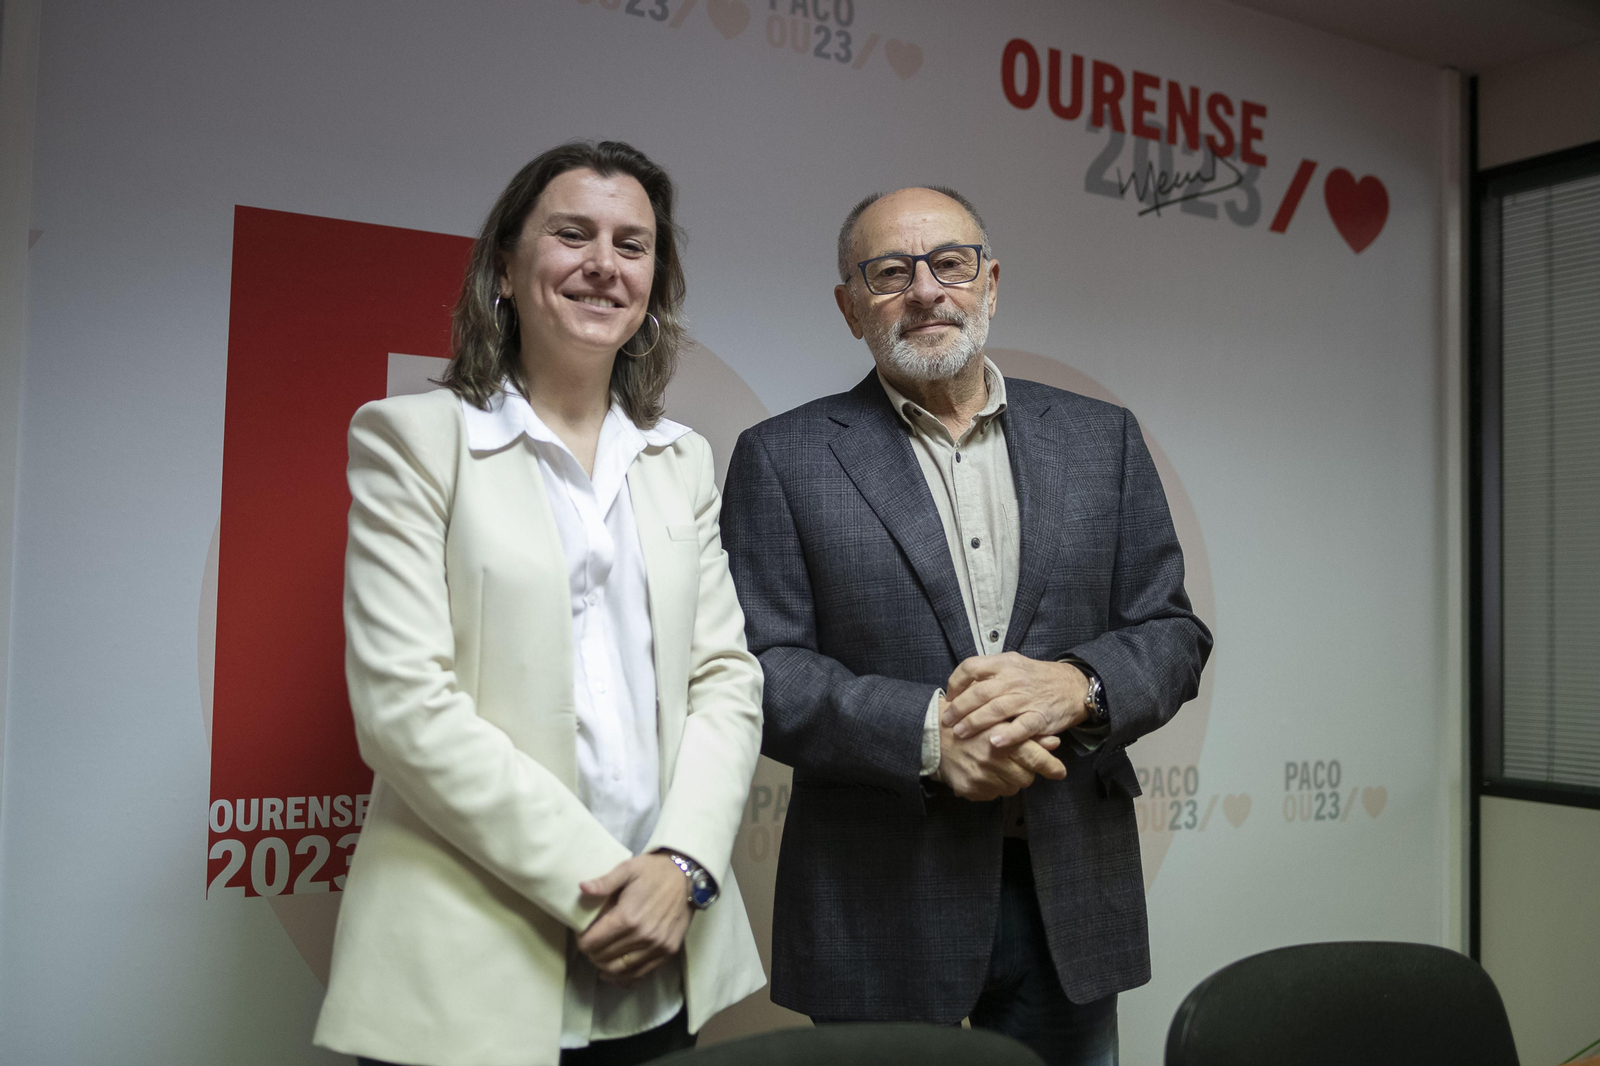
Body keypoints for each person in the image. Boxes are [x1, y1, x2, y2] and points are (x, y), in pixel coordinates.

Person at [720, 186, 1212, 1066]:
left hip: (1066, 890)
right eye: (889, 272)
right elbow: (762, 666)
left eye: (950, 263)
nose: (925, 291)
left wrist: (1079, 685)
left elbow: (1171, 632)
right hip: (878, 897)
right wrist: (930, 735)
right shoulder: (784, 458)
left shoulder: (1104, 441)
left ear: (990, 283)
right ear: (848, 306)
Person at [314, 141, 765, 1066]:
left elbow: (724, 676)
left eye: (632, 245)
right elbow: (404, 710)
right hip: (468, 966)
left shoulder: (681, 459)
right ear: (507, 272)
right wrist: (610, 888)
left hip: (662, 956)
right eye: (572, 234)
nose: (604, 264)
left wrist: (680, 869)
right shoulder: (411, 440)